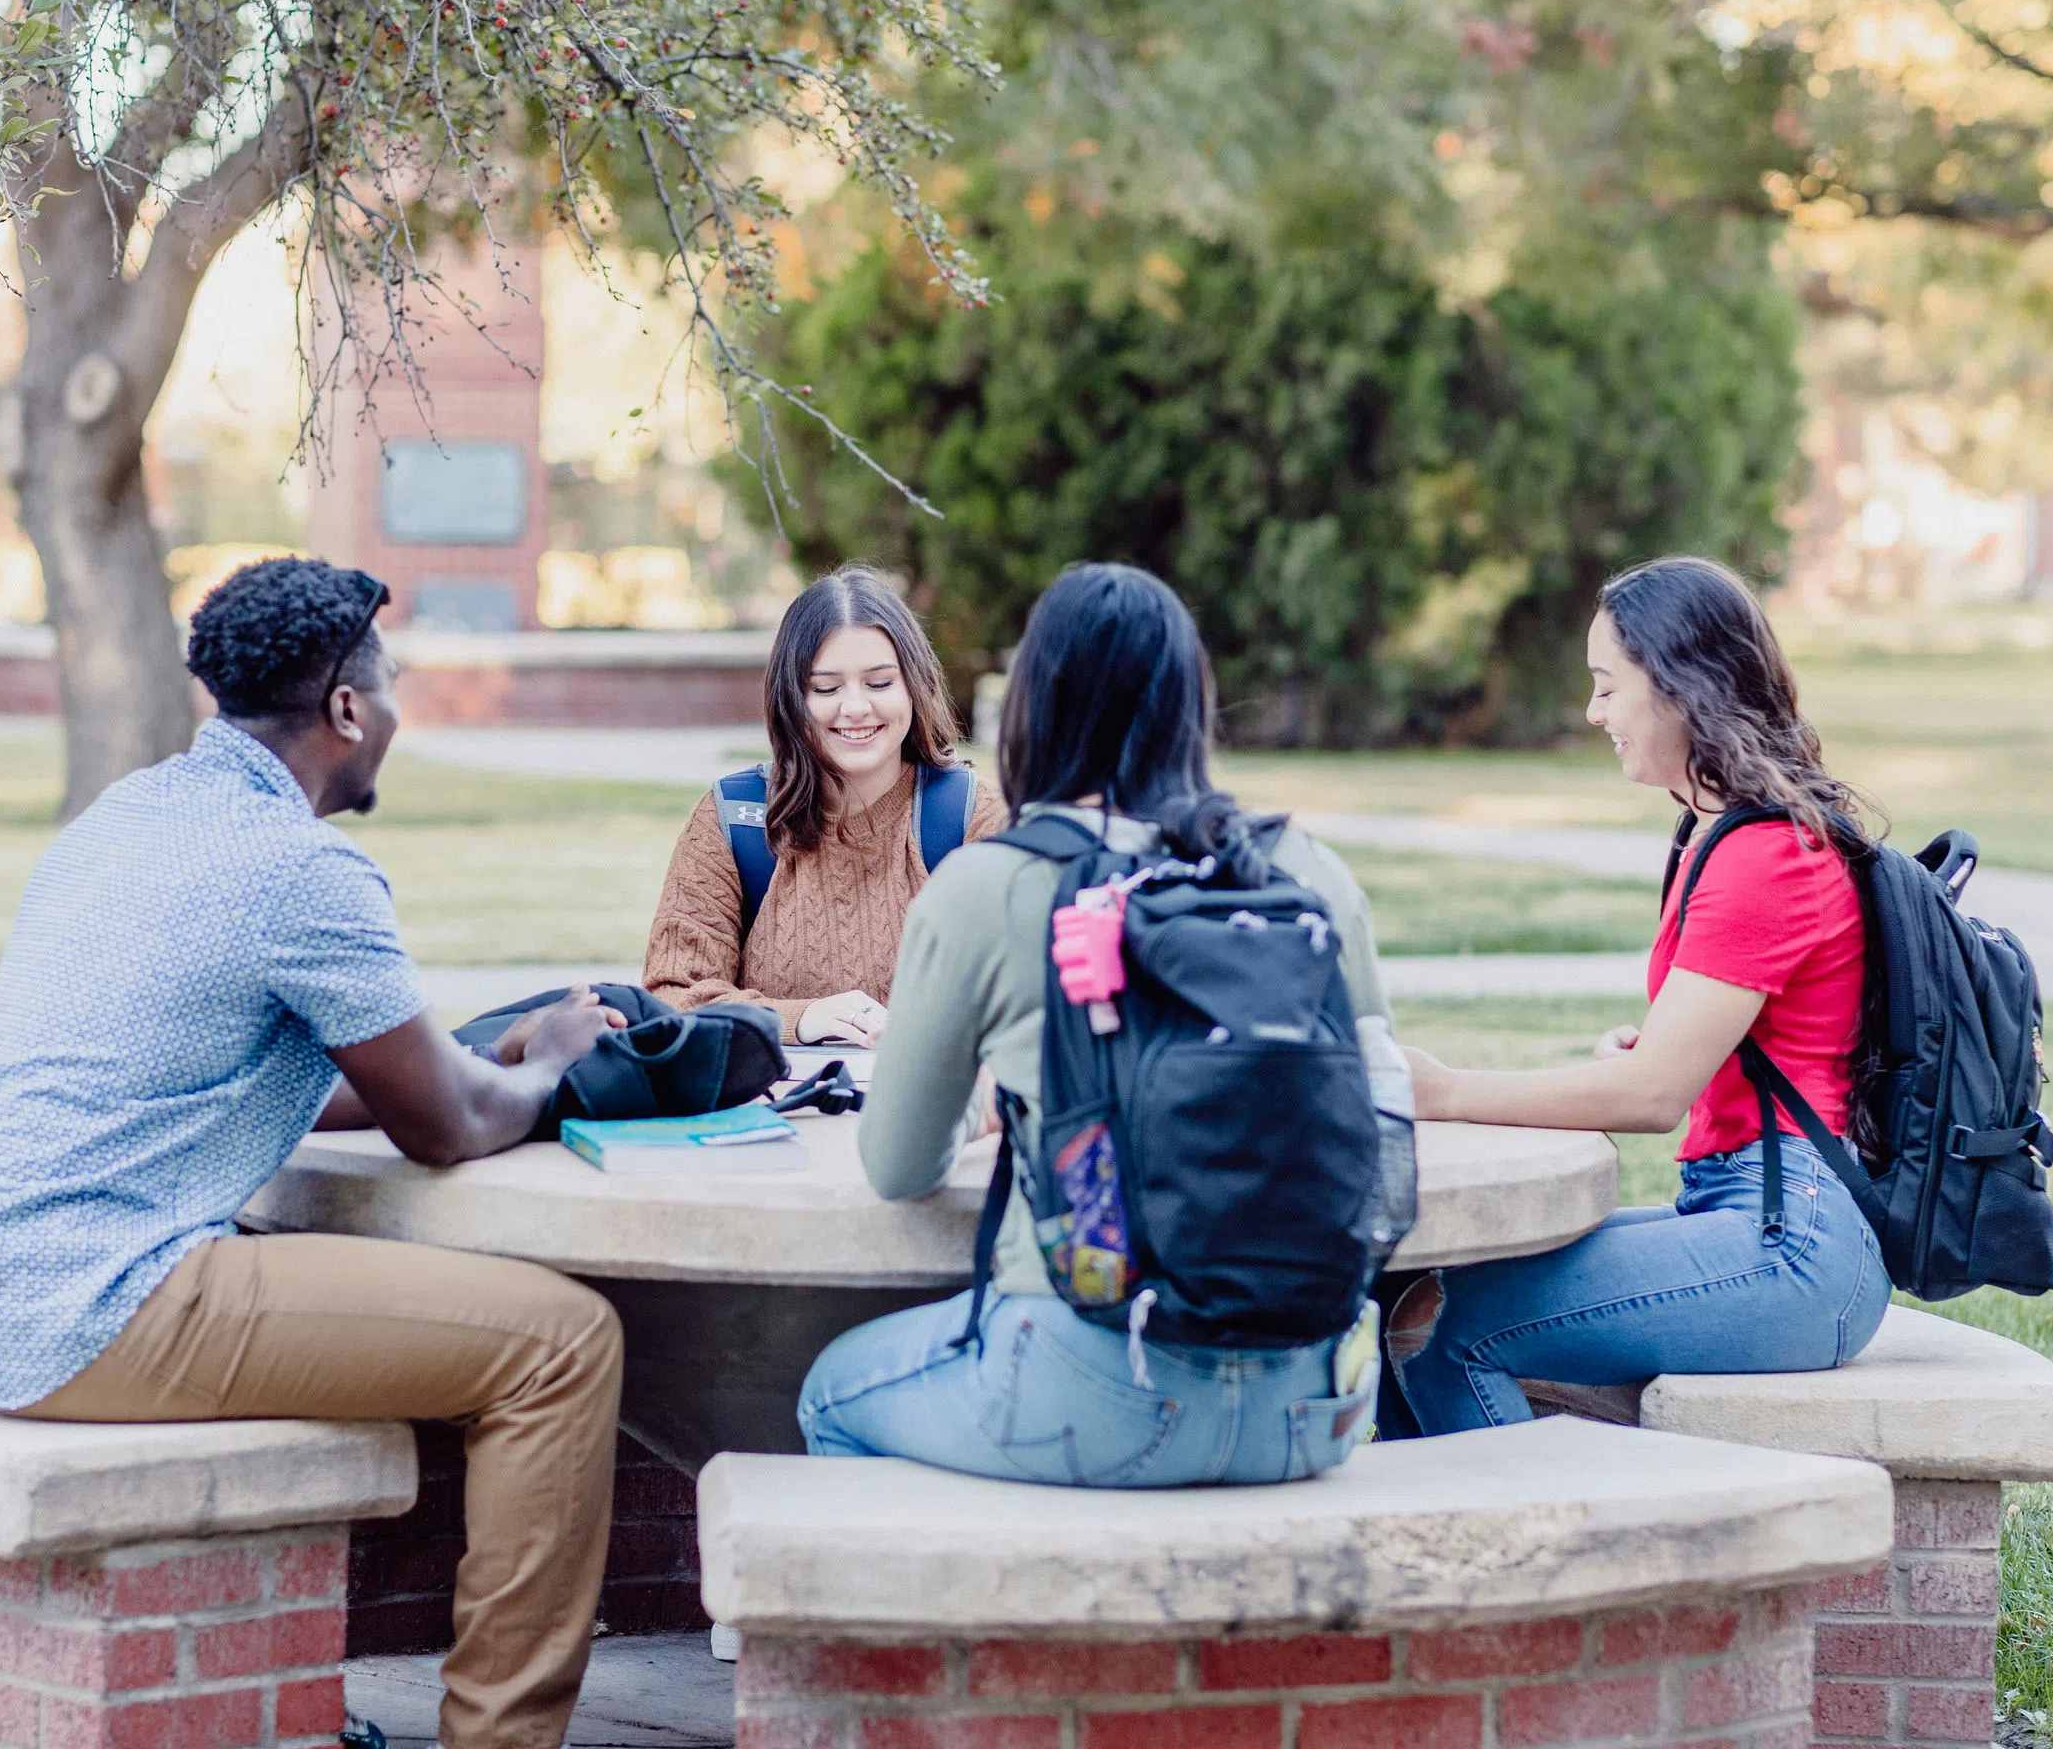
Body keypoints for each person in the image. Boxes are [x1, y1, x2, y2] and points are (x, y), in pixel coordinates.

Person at [0, 557, 627, 1749]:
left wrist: (472, 1056)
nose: (394, 712)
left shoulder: (127, 813)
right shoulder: (303, 870)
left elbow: (243, 1072)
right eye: (390, 685)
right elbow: (447, 1124)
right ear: (346, 708)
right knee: (562, 1342)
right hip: (83, 1302)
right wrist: (564, 1058)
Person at [795, 562, 1401, 1485]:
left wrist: (991, 1100)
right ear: (1192, 702)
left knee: (828, 1396)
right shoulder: (1303, 871)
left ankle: (977, 1630)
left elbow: (897, 1165)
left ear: (1034, 703)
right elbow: (1377, 1099)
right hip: (1317, 1397)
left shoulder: (990, 886)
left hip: (1091, 1382)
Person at [1386, 554, 1889, 1434]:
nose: (1594, 713)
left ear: (1679, 688)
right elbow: (1715, 1056)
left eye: (1608, 687)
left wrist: (1448, 1090)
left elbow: (1652, 1099)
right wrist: (1658, 1051)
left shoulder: (1767, 853)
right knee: (1414, 1288)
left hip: (1799, 1247)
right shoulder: (1718, 831)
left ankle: (1530, 1559)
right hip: (1751, 1214)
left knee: (1451, 1330)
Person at [643, 565, 1005, 1046]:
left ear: (914, 687)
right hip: (772, 1114)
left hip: (930, 1114)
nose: (855, 708)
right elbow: (670, 999)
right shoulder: (733, 819)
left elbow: (1025, 997)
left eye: (879, 684)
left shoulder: (972, 817)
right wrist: (800, 1019)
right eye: (826, 688)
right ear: (790, 697)